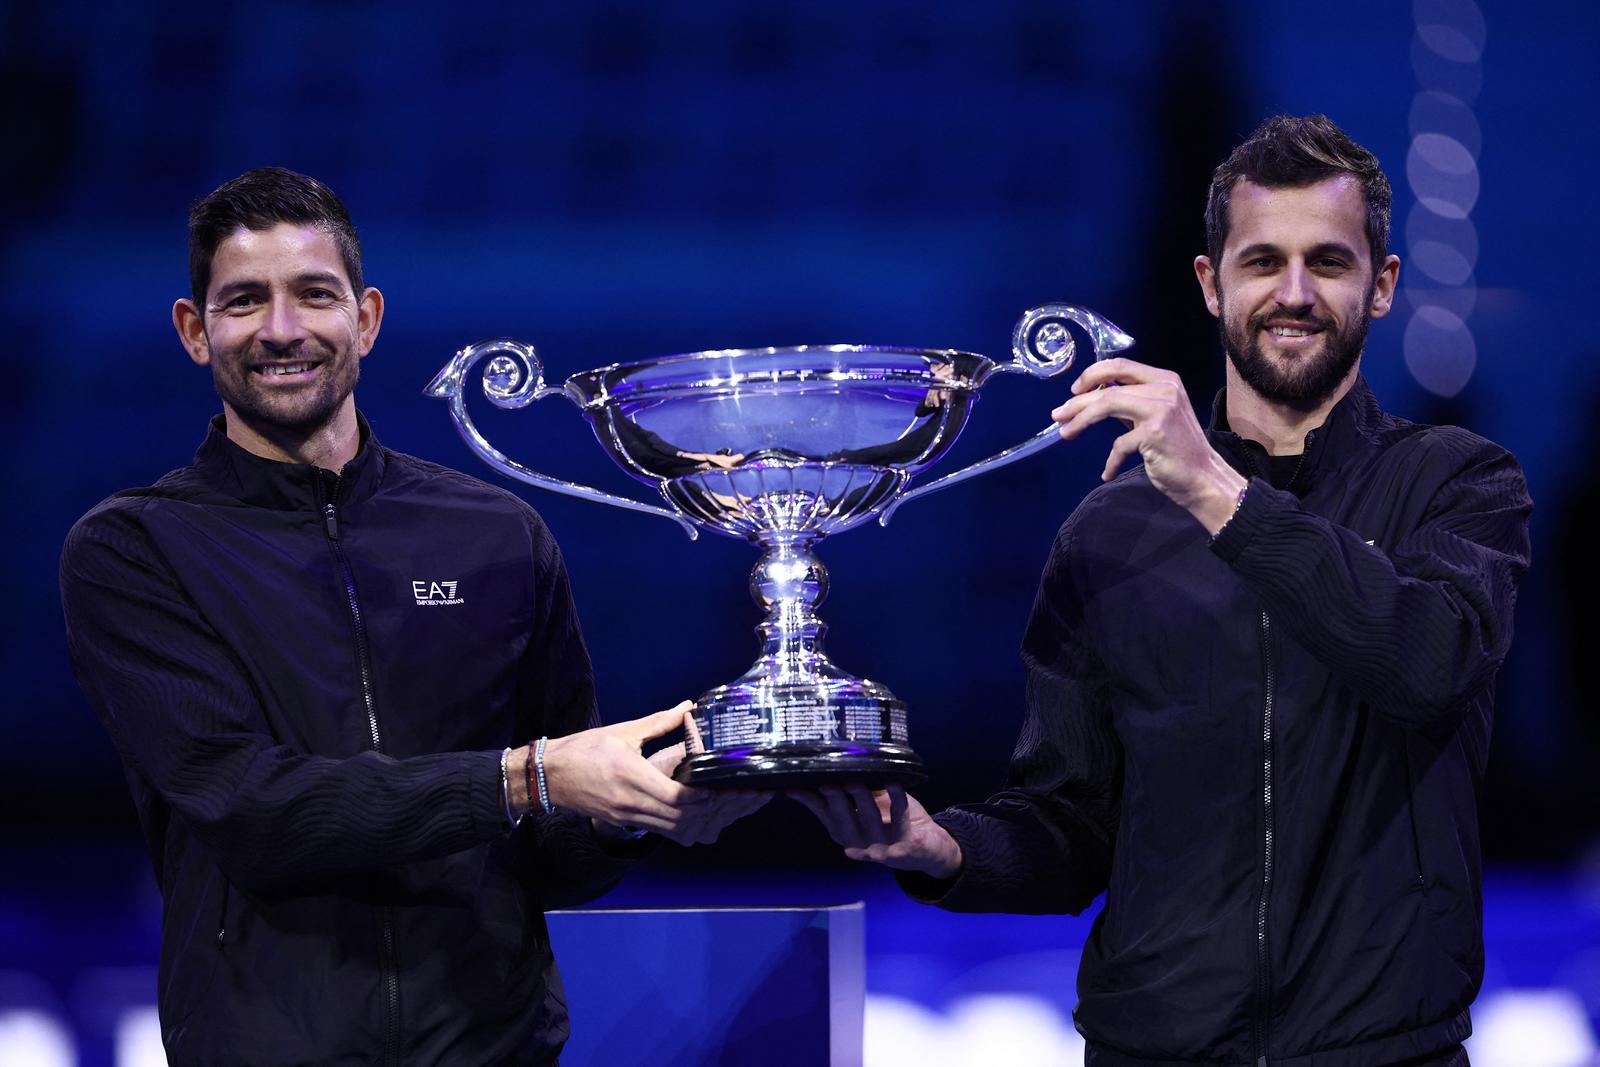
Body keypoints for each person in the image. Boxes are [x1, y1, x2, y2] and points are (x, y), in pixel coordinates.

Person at [793, 115, 1531, 1066]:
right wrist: (945, 850)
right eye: (1262, 261)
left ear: (1381, 287)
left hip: (1387, 1052)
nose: (1294, 293)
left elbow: (1430, 659)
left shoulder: (1459, 484)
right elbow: (1070, 821)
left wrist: (1218, 491)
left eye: (1330, 263)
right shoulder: (1111, 530)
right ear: (1209, 282)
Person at [59, 166, 767, 1066]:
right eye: (245, 301)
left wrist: (625, 812)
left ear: (366, 318)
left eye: (314, 294)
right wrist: (531, 776)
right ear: (195, 331)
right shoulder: (136, 550)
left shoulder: (496, 532)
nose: (282, 330)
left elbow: (548, 853)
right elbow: (252, 809)